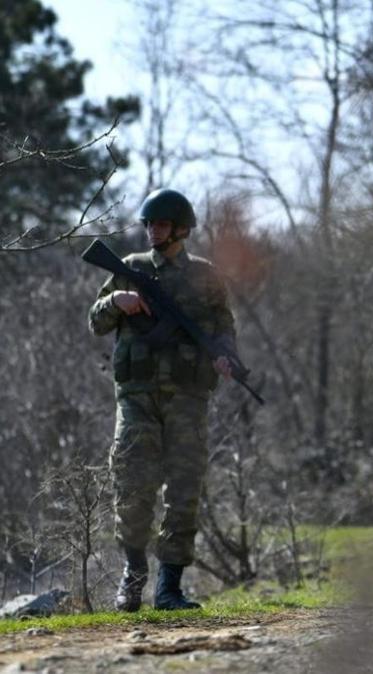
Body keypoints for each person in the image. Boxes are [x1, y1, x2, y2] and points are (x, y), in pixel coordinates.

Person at [88, 188, 238, 611]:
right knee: (133, 487)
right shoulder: (129, 269)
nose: (153, 231)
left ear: (182, 230)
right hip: (137, 398)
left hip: (189, 399)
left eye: (162, 225)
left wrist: (227, 358)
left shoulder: (206, 276)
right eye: (149, 224)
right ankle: (132, 579)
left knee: (184, 491)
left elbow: (224, 328)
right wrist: (116, 301)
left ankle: (169, 588)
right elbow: (96, 322)